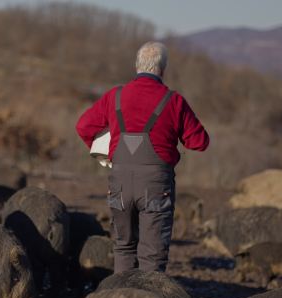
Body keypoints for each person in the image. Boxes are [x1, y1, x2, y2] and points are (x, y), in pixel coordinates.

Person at [76, 42, 210, 273]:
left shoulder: (114, 96)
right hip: (156, 185)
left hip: (119, 183)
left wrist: (105, 152)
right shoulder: (174, 101)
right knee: (152, 255)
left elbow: (83, 126)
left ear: (137, 66)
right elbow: (200, 142)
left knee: (123, 248)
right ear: (162, 69)